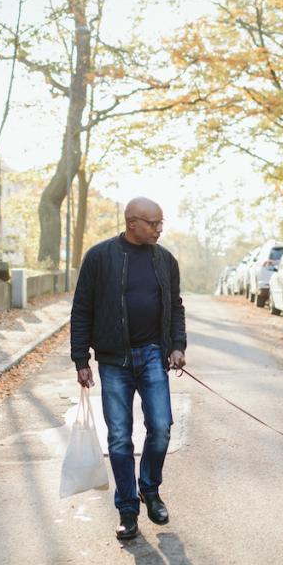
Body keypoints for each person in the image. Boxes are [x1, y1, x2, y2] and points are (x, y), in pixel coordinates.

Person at [70, 197, 186, 541]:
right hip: (113, 359)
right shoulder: (99, 257)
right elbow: (82, 310)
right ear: (132, 222)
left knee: (161, 427)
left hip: (153, 355)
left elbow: (175, 306)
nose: (159, 229)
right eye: (153, 224)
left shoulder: (165, 261)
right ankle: (127, 510)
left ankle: (150, 489)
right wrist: (81, 360)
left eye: (161, 223)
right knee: (119, 438)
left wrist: (178, 345)